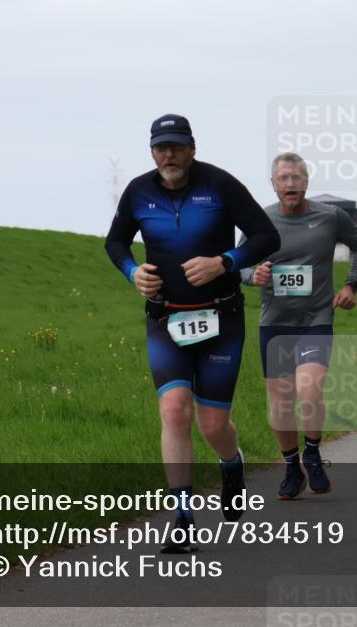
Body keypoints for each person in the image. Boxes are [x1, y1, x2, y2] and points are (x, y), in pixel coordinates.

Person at [105, 114, 281, 552]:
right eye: (161, 147)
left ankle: (231, 463)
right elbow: (115, 242)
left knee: (213, 422)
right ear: (151, 151)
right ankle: (182, 516)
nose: (169, 154)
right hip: (165, 318)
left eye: (177, 146)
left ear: (192, 148)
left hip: (221, 318)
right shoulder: (138, 191)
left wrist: (224, 261)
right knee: (175, 411)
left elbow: (266, 236)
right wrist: (132, 272)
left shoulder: (220, 184)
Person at [242, 152, 357, 499]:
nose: (290, 184)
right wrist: (252, 274)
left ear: (306, 181)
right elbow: (238, 262)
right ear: (273, 184)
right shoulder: (260, 221)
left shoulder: (330, 217)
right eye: (283, 179)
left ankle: (311, 452)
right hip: (275, 323)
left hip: (316, 318)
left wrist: (351, 284)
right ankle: (290, 467)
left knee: (310, 390)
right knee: (281, 402)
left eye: (296, 177)